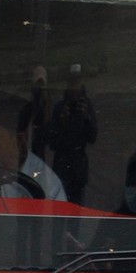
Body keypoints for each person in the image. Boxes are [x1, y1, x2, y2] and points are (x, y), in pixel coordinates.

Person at [49, 64, 98, 204]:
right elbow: (52, 143)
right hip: (62, 165)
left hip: (78, 166)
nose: (75, 88)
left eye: (77, 83)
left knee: (75, 211)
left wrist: (87, 118)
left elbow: (93, 137)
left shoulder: (86, 106)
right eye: (72, 83)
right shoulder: (60, 107)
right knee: (59, 210)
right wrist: (62, 123)